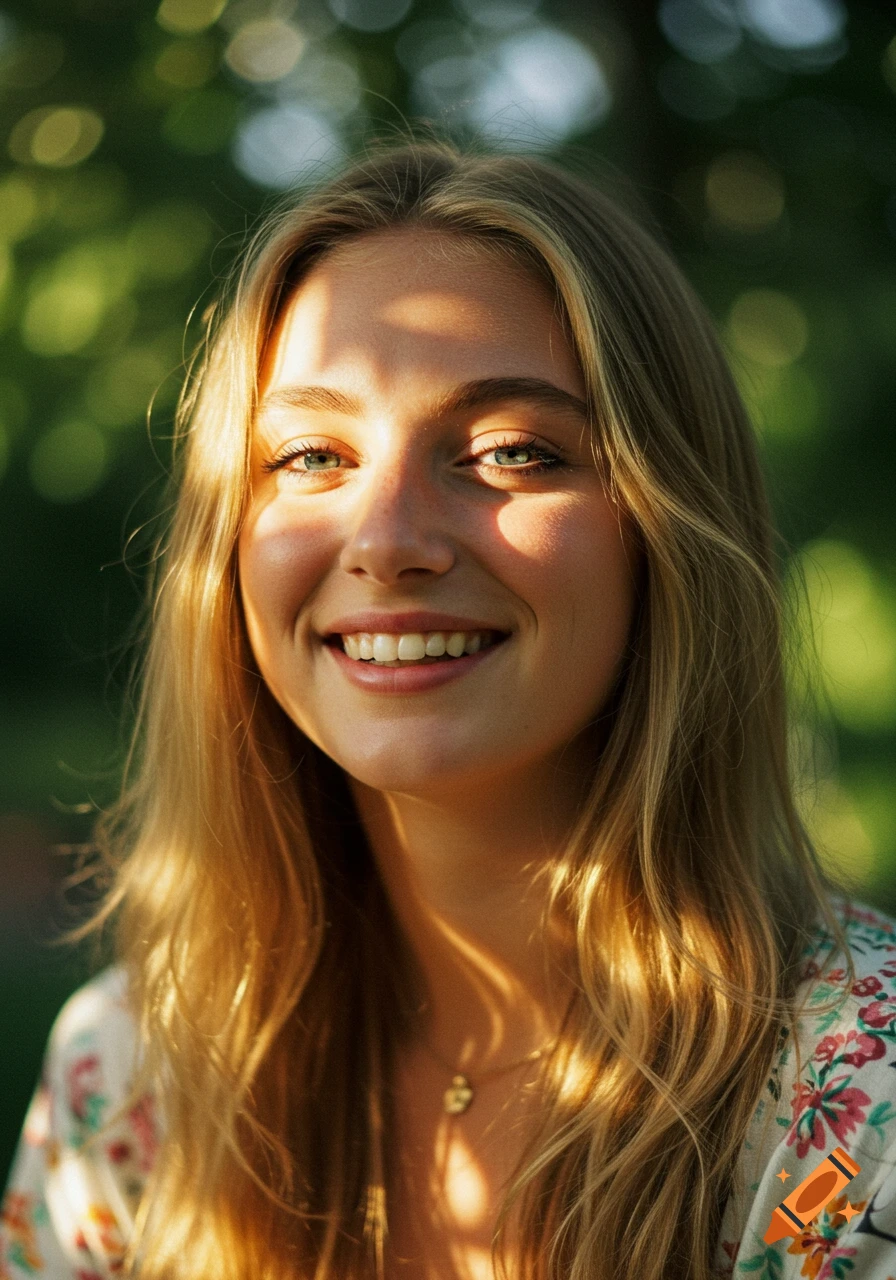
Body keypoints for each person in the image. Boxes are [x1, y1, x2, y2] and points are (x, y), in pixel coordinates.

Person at [1, 139, 895, 1280]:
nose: (387, 540)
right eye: (312, 454)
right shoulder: (130, 1071)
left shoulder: (857, 1107)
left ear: (664, 525)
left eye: (509, 451)